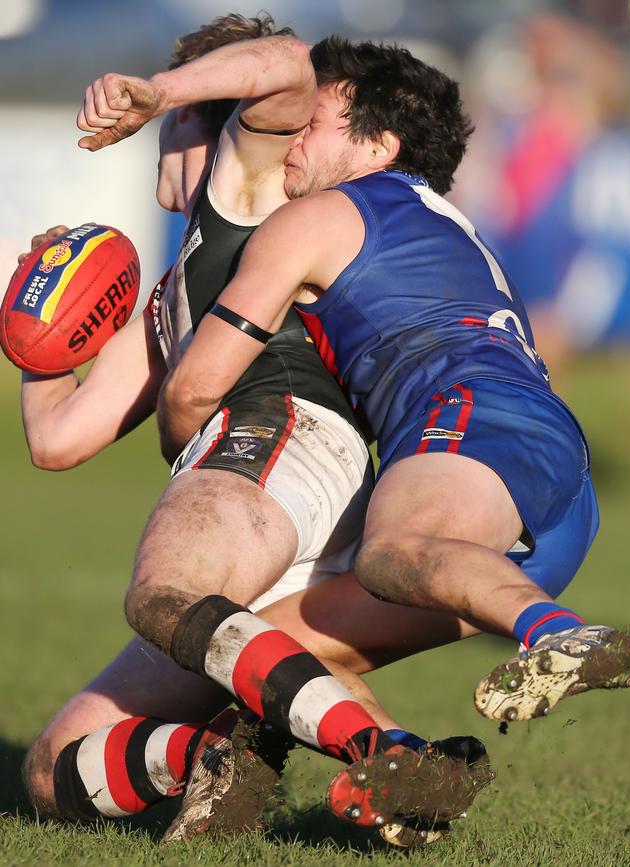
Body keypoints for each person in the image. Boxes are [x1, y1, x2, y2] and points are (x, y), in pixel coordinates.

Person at [21, 17, 491, 847]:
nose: (158, 137)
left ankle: (376, 749)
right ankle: (244, 765)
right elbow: (57, 439)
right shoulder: (177, 291)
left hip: (277, 439)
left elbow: (286, 62)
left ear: (213, 111)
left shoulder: (250, 176)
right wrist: (33, 330)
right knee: (54, 765)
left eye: (172, 120)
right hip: (287, 488)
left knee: (165, 595)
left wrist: (163, 88)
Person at [91, 34, 630, 736]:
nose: (291, 140)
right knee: (263, 655)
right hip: (542, 494)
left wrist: (186, 446)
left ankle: (558, 634)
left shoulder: (324, 214)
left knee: (390, 549)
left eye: (310, 124)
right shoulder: (438, 221)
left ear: (379, 144)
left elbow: (196, 386)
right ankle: (400, 768)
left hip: (470, 420)